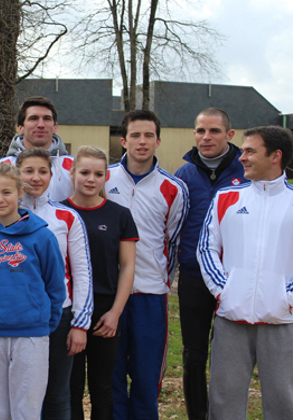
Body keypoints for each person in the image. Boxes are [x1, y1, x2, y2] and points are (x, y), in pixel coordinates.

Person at [198, 126, 293, 420]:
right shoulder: (226, 198)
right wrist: (224, 293)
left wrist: (288, 298)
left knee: (286, 407)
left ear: (275, 156)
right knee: (224, 405)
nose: (242, 157)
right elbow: (206, 249)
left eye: (250, 151)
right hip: (230, 319)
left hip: (283, 321)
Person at [105, 110, 188, 420]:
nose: (142, 142)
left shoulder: (173, 188)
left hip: (150, 295)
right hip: (110, 295)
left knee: (146, 374)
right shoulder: (105, 178)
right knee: (110, 375)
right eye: (136, 135)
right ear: (124, 140)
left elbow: (174, 241)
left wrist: (158, 278)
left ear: (158, 140)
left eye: (148, 136)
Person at [0, 162, 66, 420]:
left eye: (6, 192)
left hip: (31, 334)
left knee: (27, 411)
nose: (0, 199)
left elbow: (56, 287)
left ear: (20, 192)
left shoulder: (42, 237)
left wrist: (45, 322)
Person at [173, 108, 246, 420]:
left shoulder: (247, 172)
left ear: (229, 135)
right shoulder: (183, 175)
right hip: (193, 276)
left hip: (235, 279)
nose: (206, 137)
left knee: (230, 355)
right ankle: (198, 415)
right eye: (200, 131)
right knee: (193, 355)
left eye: (214, 131)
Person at [15, 148, 93, 419]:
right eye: (28, 171)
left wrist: (80, 324)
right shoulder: (6, 215)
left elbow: (82, 272)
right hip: (18, 319)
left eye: (43, 171)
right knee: (21, 393)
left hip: (60, 317)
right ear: (17, 174)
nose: (36, 178)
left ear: (52, 175)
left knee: (58, 395)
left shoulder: (67, 217)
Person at [62, 146, 138, 420]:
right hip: (68, 309)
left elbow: (128, 266)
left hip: (105, 309)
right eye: (84, 172)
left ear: (106, 177)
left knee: (102, 386)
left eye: (98, 173)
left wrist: (115, 313)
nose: (90, 179)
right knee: (69, 387)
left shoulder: (119, 215)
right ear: (72, 174)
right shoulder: (58, 213)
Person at [0, 96, 74, 201]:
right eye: (33, 119)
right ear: (20, 127)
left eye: (47, 119)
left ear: (55, 127)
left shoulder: (75, 168)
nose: (41, 125)